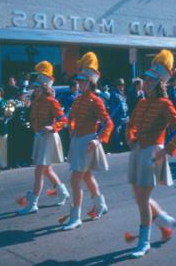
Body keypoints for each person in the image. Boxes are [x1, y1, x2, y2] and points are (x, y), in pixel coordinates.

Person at [126, 49, 176, 258]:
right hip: (137, 151)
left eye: (151, 81)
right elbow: (131, 124)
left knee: (142, 200)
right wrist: (130, 136)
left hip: (153, 152)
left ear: (159, 83)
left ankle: (144, 242)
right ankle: (163, 221)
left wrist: (167, 151)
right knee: (138, 197)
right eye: (146, 79)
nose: (146, 83)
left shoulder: (164, 104)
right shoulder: (142, 103)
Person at [62, 52, 114, 230]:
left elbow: (108, 123)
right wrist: (70, 127)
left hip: (88, 142)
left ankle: (75, 216)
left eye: (84, 81)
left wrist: (99, 140)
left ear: (91, 82)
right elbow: (72, 117)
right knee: (87, 177)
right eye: (79, 81)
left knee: (75, 180)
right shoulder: (78, 100)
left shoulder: (96, 101)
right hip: (77, 141)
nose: (80, 84)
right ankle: (100, 205)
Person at [17, 61, 70, 215]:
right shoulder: (35, 102)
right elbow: (32, 118)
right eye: (34, 87)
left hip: (49, 137)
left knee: (39, 170)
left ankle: (33, 203)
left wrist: (51, 127)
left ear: (44, 88)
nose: (34, 90)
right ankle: (63, 192)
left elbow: (63, 120)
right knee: (46, 170)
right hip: (40, 137)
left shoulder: (51, 102)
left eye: (37, 87)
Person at [109, 78, 129, 152]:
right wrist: (115, 117)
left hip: (124, 117)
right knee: (117, 134)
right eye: (121, 85)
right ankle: (117, 148)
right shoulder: (114, 94)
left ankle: (124, 146)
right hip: (118, 118)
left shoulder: (122, 94)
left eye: (123, 85)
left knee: (124, 133)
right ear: (117, 85)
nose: (122, 86)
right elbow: (112, 107)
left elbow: (125, 105)